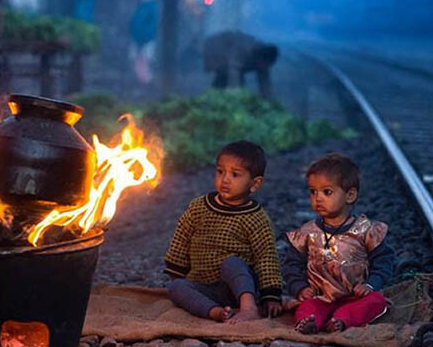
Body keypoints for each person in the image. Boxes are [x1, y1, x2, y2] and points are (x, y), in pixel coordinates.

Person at [164, 140, 283, 323]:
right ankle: (216, 312)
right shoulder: (199, 207)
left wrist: (271, 295)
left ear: (255, 183)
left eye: (235, 175)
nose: (225, 179)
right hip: (204, 286)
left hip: (239, 288)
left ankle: (248, 308)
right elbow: (181, 239)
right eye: (220, 172)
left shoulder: (255, 217)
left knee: (233, 263)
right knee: (175, 288)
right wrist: (176, 273)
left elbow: (266, 256)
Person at [281, 153, 395, 334]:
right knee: (307, 306)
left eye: (327, 192)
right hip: (320, 296)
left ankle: (342, 320)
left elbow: (384, 261)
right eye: (313, 191)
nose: (317, 198)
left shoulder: (365, 230)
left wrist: (370, 285)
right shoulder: (307, 232)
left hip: (356, 296)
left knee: (377, 301)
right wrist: (300, 288)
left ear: (350, 196)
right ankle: (310, 322)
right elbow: (291, 264)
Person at [202, 31, 278, 98]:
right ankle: (213, 98)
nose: (263, 67)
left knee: (232, 81)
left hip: (231, 56)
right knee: (225, 77)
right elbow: (233, 70)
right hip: (217, 49)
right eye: (262, 64)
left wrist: (267, 97)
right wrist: (235, 92)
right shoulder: (244, 49)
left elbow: (265, 81)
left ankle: (215, 95)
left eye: (266, 65)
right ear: (259, 58)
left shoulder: (265, 58)